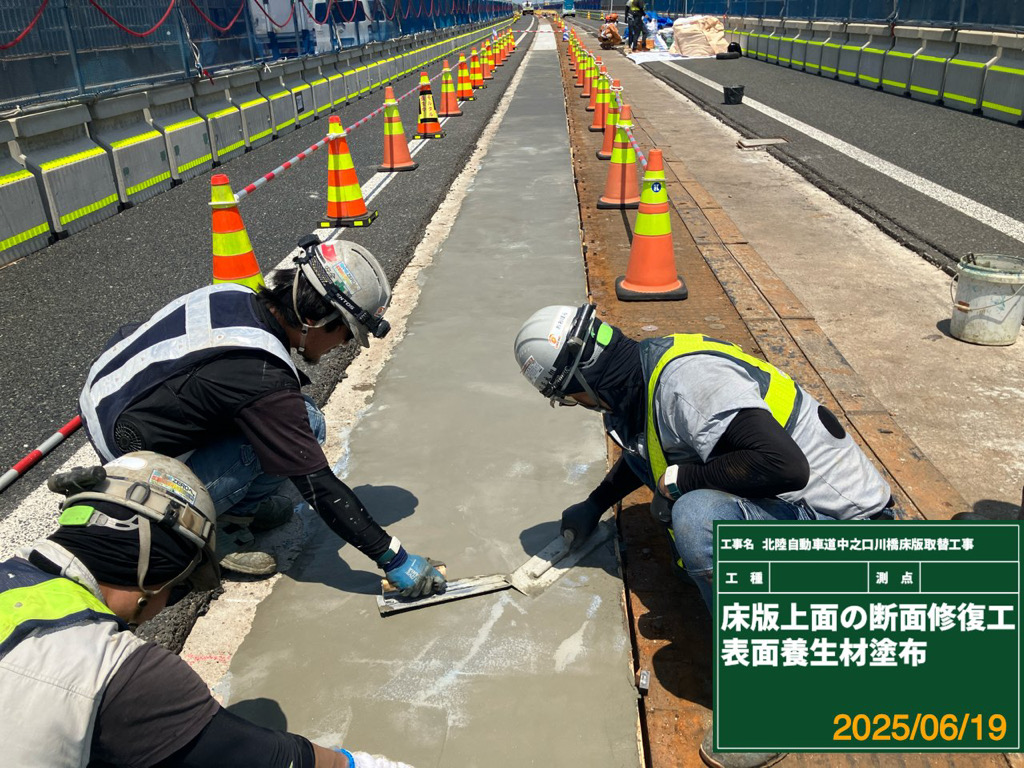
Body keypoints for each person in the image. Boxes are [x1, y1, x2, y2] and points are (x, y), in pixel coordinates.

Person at [513, 304, 894, 768]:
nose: (581, 405)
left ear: (584, 377)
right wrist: (595, 503)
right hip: (800, 509)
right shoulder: (638, 378)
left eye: (572, 396)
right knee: (674, 492)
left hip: (847, 530)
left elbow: (785, 466)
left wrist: (684, 481)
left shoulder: (687, 383)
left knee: (697, 516)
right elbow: (646, 447)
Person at [78, 234, 446, 600]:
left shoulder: (235, 295)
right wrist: (393, 558)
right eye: (347, 334)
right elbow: (317, 485)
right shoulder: (260, 374)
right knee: (297, 430)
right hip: (139, 482)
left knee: (298, 418)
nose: (344, 345)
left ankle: (238, 506)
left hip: (112, 406)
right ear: (315, 319)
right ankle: (210, 533)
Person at [0, 451, 412, 768]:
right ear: (152, 574)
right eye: (178, 589)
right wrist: (357, 763)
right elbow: (268, 759)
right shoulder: (116, 671)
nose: (166, 604)